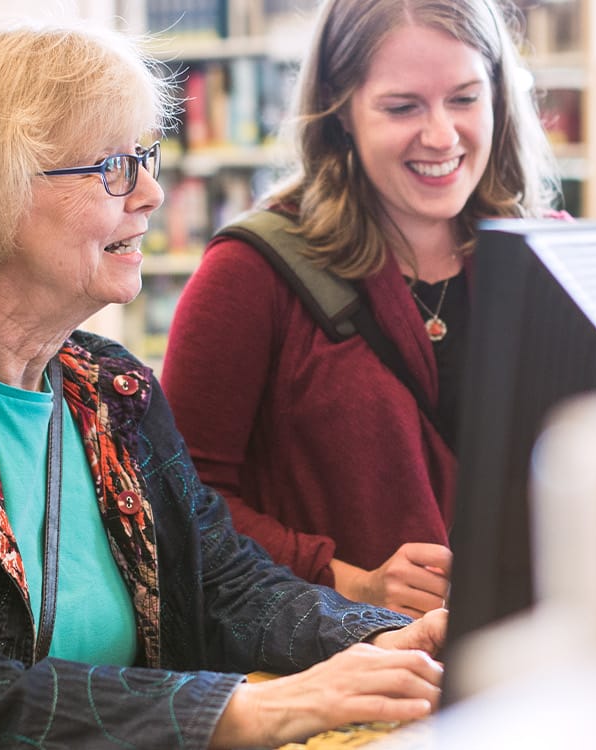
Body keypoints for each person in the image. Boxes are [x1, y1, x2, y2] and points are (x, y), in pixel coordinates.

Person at [0, 18, 448, 748]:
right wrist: (246, 711)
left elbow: (225, 585)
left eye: (145, 156)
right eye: (113, 165)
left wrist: (388, 637)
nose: (150, 193)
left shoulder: (111, 387)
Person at [161, 0, 561, 617]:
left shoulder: (554, 256)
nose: (441, 135)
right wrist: (348, 580)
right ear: (340, 111)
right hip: (342, 667)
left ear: (499, 97)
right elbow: (180, 499)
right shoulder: (250, 272)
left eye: (464, 98)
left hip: (531, 656)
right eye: (403, 107)